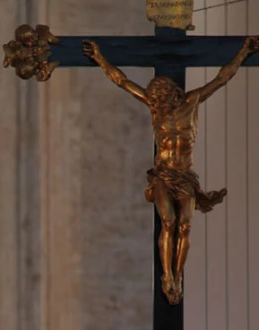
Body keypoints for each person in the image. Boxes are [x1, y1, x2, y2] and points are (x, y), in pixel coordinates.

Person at [83, 36, 259, 305]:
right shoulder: (155, 109)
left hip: (185, 176)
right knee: (168, 221)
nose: (158, 101)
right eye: (156, 98)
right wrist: (99, 58)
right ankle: (168, 276)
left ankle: (178, 276)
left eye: (161, 97)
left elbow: (222, 78)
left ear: (170, 93)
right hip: (163, 176)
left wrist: (243, 52)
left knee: (185, 225)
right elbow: (122, 81)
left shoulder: (192, 101)